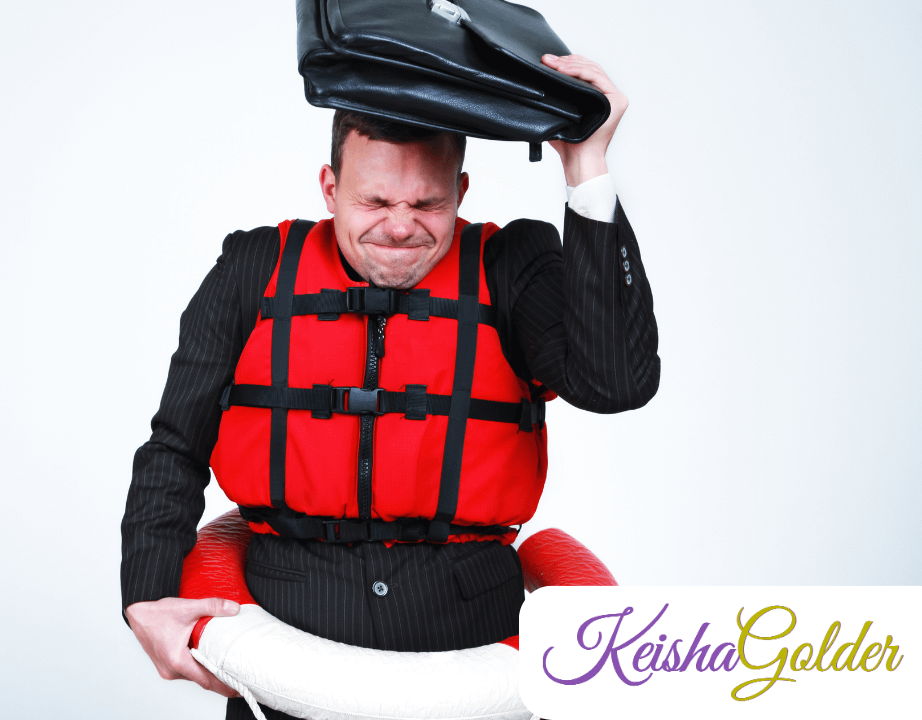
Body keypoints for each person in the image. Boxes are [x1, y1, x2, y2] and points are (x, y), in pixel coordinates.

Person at [121, 54, 659, 719]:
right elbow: (175, 445)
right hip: (288, 650)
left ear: (461, 192)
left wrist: (586, 168)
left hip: (475, 654)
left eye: (427, 203)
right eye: (374, 201)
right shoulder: (252, 269)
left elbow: (617, 381)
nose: (400, 226)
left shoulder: (513, 264)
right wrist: (145, 595)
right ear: (329, 187)